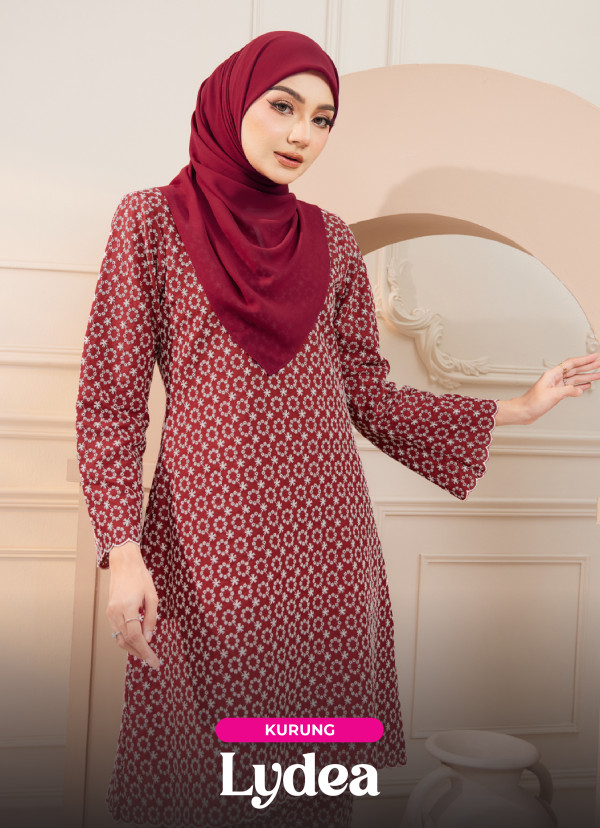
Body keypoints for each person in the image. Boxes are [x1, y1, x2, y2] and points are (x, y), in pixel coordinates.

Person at [75, 30, 600, 828]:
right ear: (230, 104)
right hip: (205, 539)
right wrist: (121, 549)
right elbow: (110, 403)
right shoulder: (151, 222)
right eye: (283, 107)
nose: (302, 135)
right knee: (203, 771)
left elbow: (368, 398)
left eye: (322, 119)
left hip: (328, 546)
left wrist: (515, 408)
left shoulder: (334, 241)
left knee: (311, 774)